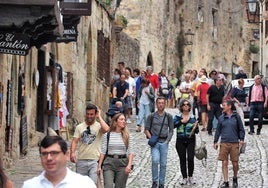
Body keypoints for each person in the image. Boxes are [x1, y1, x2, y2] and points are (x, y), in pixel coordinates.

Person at [22, 136, 96, 188]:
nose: (49, 158)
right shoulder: (30, 185)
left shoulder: (84, 184)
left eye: (54, 153)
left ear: (66, 155)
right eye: (44, 154)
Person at [70, 104, 110, 185]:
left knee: (93, 183)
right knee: (81, 185)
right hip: (81, 160)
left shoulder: (99, 126)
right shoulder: (79, 127)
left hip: (95, 160)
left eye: (91, 114)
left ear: (95, 114)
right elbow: (75, 141)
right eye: (87, 114)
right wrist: (72, 152)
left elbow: (107, 130)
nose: (89, 116)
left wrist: (99, 117)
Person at [213, 100, 245, 188]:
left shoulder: (236, 117)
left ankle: (235, 177)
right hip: (224, 142)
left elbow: (241, 129)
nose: (222, 107)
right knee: (224, 162)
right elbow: (218, 131)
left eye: (224, 105)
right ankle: (226, 181)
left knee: (235, 163)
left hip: (234, 143)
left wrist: (241, 139)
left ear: (229, 106)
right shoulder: (221, 118)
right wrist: (215, 141)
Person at [97, 113, 134, 188]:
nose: (124, 121)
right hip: (109, 163)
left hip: (122, 163)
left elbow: (131, 151)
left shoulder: (127, 136)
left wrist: (129, 165)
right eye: (121, 119)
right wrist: (99, 166)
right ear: (115, 122)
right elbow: (103, 151)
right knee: (108, 185)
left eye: (124, 119)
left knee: (120, 186)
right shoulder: (107, 135)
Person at [144, 96, 174, 188]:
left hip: (164, 142)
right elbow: (146, 129)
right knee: (155, 160)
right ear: (156, 104)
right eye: (159, 103)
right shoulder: (151, 116)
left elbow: (171, 130)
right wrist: (151, 138)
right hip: (155, 142)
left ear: (165, 104)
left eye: (162, 103)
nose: (161, 105)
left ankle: (161, 183)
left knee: (163, 163)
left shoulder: (168, 116)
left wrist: (167, 140)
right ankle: (154, 181)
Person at [173, 99, 199, 185]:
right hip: (180, 140)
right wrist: (181, 122)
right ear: (181, 106)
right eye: (184, 105)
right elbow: (172, 125)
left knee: (191, 158)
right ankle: (184, 177)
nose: (186, 106)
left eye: (187, 104)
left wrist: (196, 127)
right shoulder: (177, 116)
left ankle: (190, 176)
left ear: (189, 107)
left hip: (191, 140)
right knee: (182, 159)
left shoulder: (192, 117)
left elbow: (197, 131)